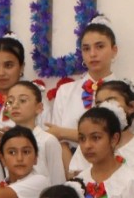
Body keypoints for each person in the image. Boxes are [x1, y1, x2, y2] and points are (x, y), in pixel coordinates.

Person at [46, 15, 121, 147]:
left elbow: (120, 137)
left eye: (100, 46)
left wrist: (63, 132)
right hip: (68, 163)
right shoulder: (66, 91)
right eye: (86, 49)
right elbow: (57, 139)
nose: (92, 54)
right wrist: (72, 167)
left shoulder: (125, 91)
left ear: (114, 50)